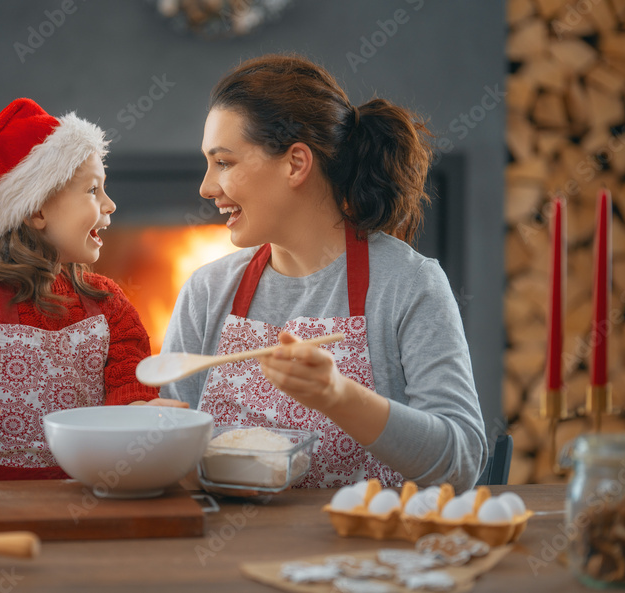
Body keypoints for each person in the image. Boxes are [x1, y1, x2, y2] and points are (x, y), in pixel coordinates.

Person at [161, 54, 486, 492]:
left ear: (296, 163)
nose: (206, 187)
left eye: (224, 162)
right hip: (226, 554)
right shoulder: (207, 291)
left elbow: (461, 462)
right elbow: (169, 453)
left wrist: (338, 396)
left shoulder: (409, 285)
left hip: (362, 554)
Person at [0, 98, 182, 481]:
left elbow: (129, 388)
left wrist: (145, 415)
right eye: (92, 190)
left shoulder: (108, 304)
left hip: (85, 495)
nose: (110, 205)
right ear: (37, 211)